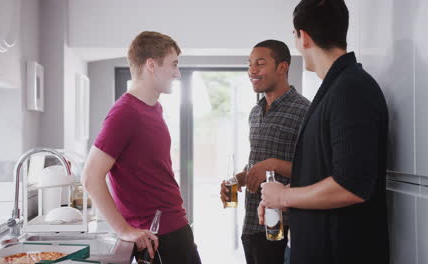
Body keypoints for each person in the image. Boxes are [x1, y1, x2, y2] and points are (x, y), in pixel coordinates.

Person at [258, 1, 390, 264]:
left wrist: (284, 195)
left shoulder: (351, 89)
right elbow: (331, 172)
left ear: (303, 37)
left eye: (293, 35)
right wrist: (286, 197)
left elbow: (351, 185)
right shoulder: (339, 87)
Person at [82, 31, 200, 264]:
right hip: (159, 236)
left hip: (173, 227)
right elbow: (90, 177)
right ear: (151, 65)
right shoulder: (125, 112)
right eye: (173, 65)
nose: (177, 73)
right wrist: (123, 229)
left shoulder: (153, 108)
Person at [220, 40, 310, 264]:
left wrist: (273, 165)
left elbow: (314, 171)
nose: (252, 70)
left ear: (282, 67)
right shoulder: (255, 112)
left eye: (260, 63)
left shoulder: (305, 111)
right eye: (250, 64)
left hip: (284, 226)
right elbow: (258, 161)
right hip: (252, 222)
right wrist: (241, 178)